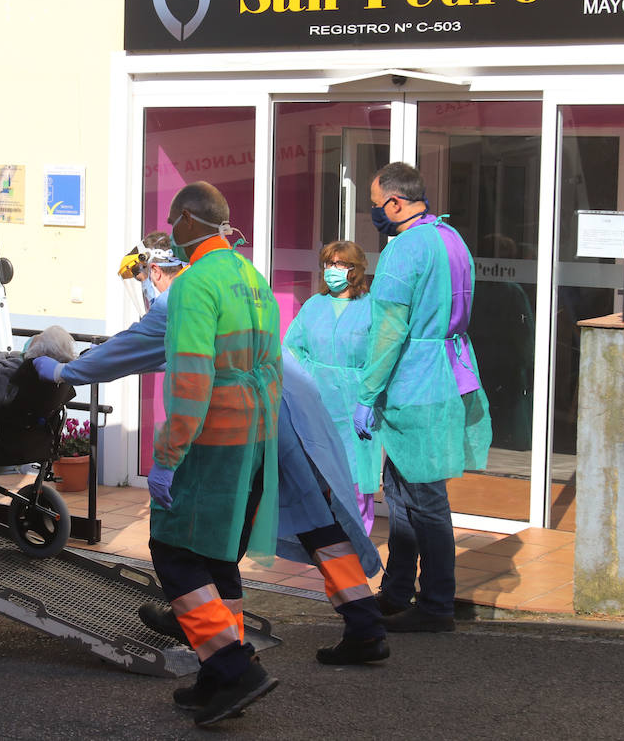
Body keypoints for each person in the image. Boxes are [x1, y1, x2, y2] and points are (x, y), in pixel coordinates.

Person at [36, 234, 387, 673]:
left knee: (211, 534)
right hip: (284, 406)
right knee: (316, 519)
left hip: (243, 421)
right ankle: (364, 623)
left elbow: (128, 351)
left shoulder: (181, 299)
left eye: (144, 277)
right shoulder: (237, 281)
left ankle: (222, 639)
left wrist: (65, 369)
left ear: (159, 271)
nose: (145, 287)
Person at [146, 183, 284, 725]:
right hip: (252, 435)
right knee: (219, 555)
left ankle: (232, 667)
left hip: (208, 439)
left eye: (172, 222)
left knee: (175, 551)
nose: (170, 232)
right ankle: (216, 677)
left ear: (186, 221)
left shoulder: (193, 284)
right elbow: (271, 365)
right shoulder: (252, 278)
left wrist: (168, 453)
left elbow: (190, 378)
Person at [353, 162, 493, 633]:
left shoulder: (403, 251)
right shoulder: (451, 239)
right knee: (401, 491)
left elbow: (389, 329)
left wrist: (367, 393)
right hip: (447, 372)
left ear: (395, 203)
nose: (375, 214)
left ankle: (434, 605)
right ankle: (396, 591)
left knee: (425, 499)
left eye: (375, 205)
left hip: (414, 381)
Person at [283, 240, 383, 533]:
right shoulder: (314, 305)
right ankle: (327, 543)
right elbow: (292, 348)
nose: (332, 270)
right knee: (319, 474)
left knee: (355, 478)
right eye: (328, 264)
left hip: (357, 405)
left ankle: (359, 540)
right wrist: (307, 381)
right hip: (317, 404)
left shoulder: (371, 308)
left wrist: (370, 397)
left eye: (339, 264)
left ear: (355, 270)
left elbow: (381, 357)